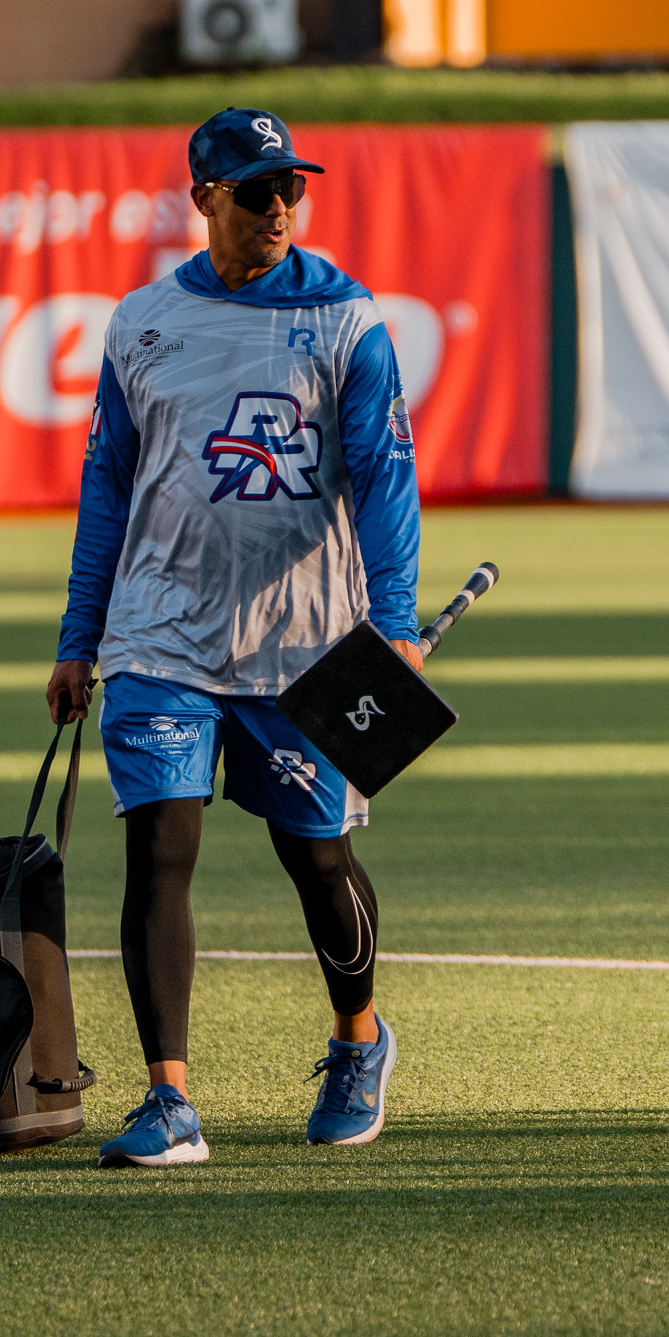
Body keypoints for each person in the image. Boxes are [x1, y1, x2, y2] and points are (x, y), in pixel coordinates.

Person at [49, 108, 425, 1169]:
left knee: (316, 852)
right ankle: (169, 1097)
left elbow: (386, 478)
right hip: (160, 634)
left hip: (308, 639)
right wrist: (82, 636)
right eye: (255, 189)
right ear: (202, 194)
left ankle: (359, 1036)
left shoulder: (348, 319)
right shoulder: (142, 322)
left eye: (289, 189)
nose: (277, 207)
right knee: (160, 846)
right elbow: (107, 488)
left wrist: (392, 626)